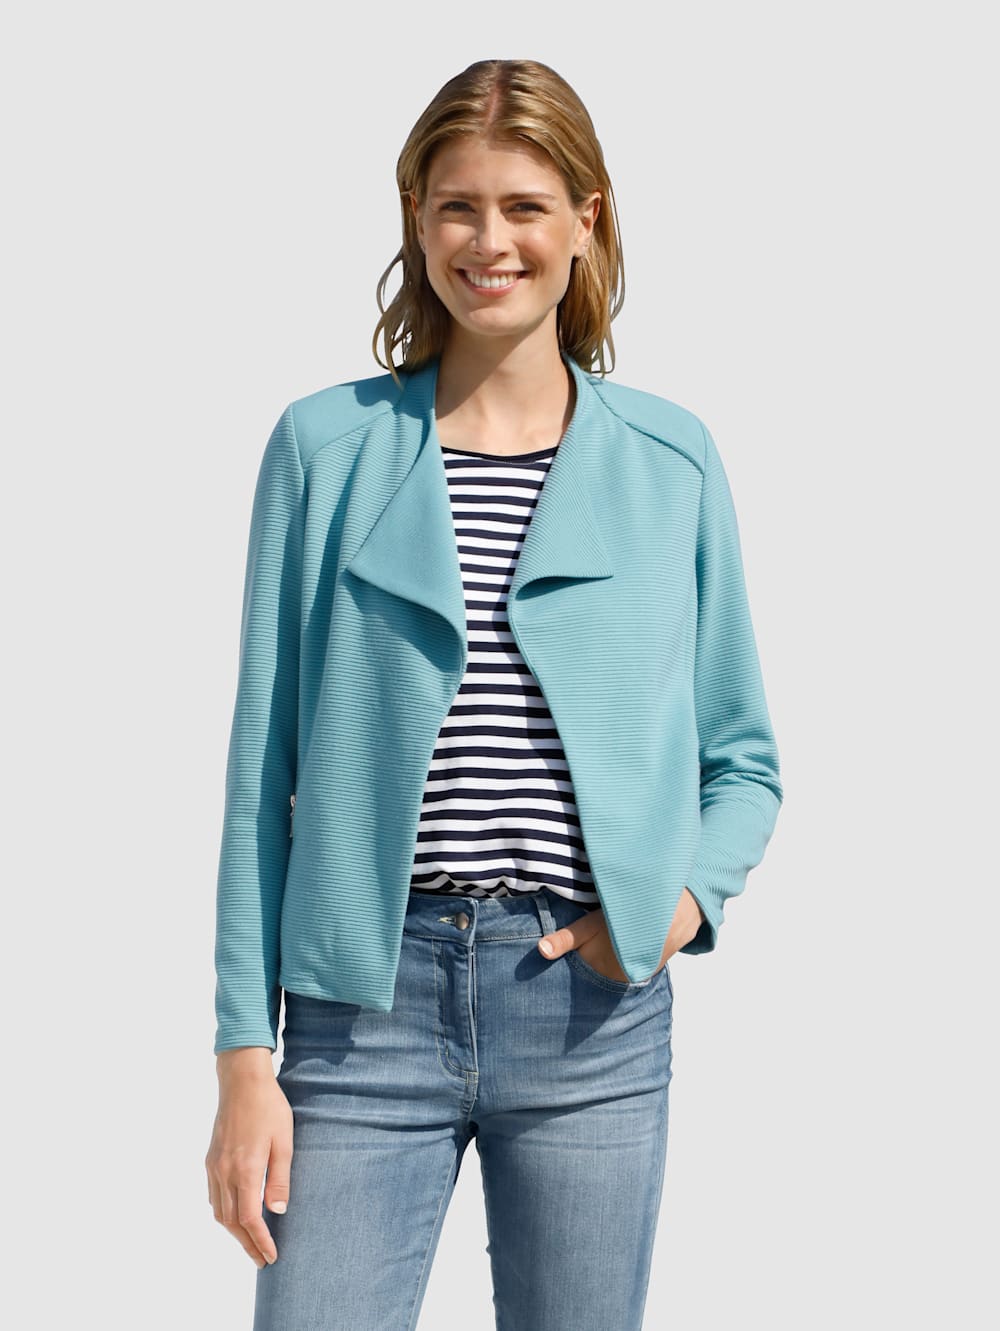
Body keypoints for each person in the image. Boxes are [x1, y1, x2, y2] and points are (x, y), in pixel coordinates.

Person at [205, 57, 783, 1331]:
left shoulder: (671, 458)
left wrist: (677, 905)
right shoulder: (323, 447)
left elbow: (742, 758)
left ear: (586, 221)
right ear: (416, 221)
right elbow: (262, 773)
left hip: (588, 1014)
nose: (490, 241)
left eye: (525, 206)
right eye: (457, 206)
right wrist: (246, 1052)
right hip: (358, 1014)